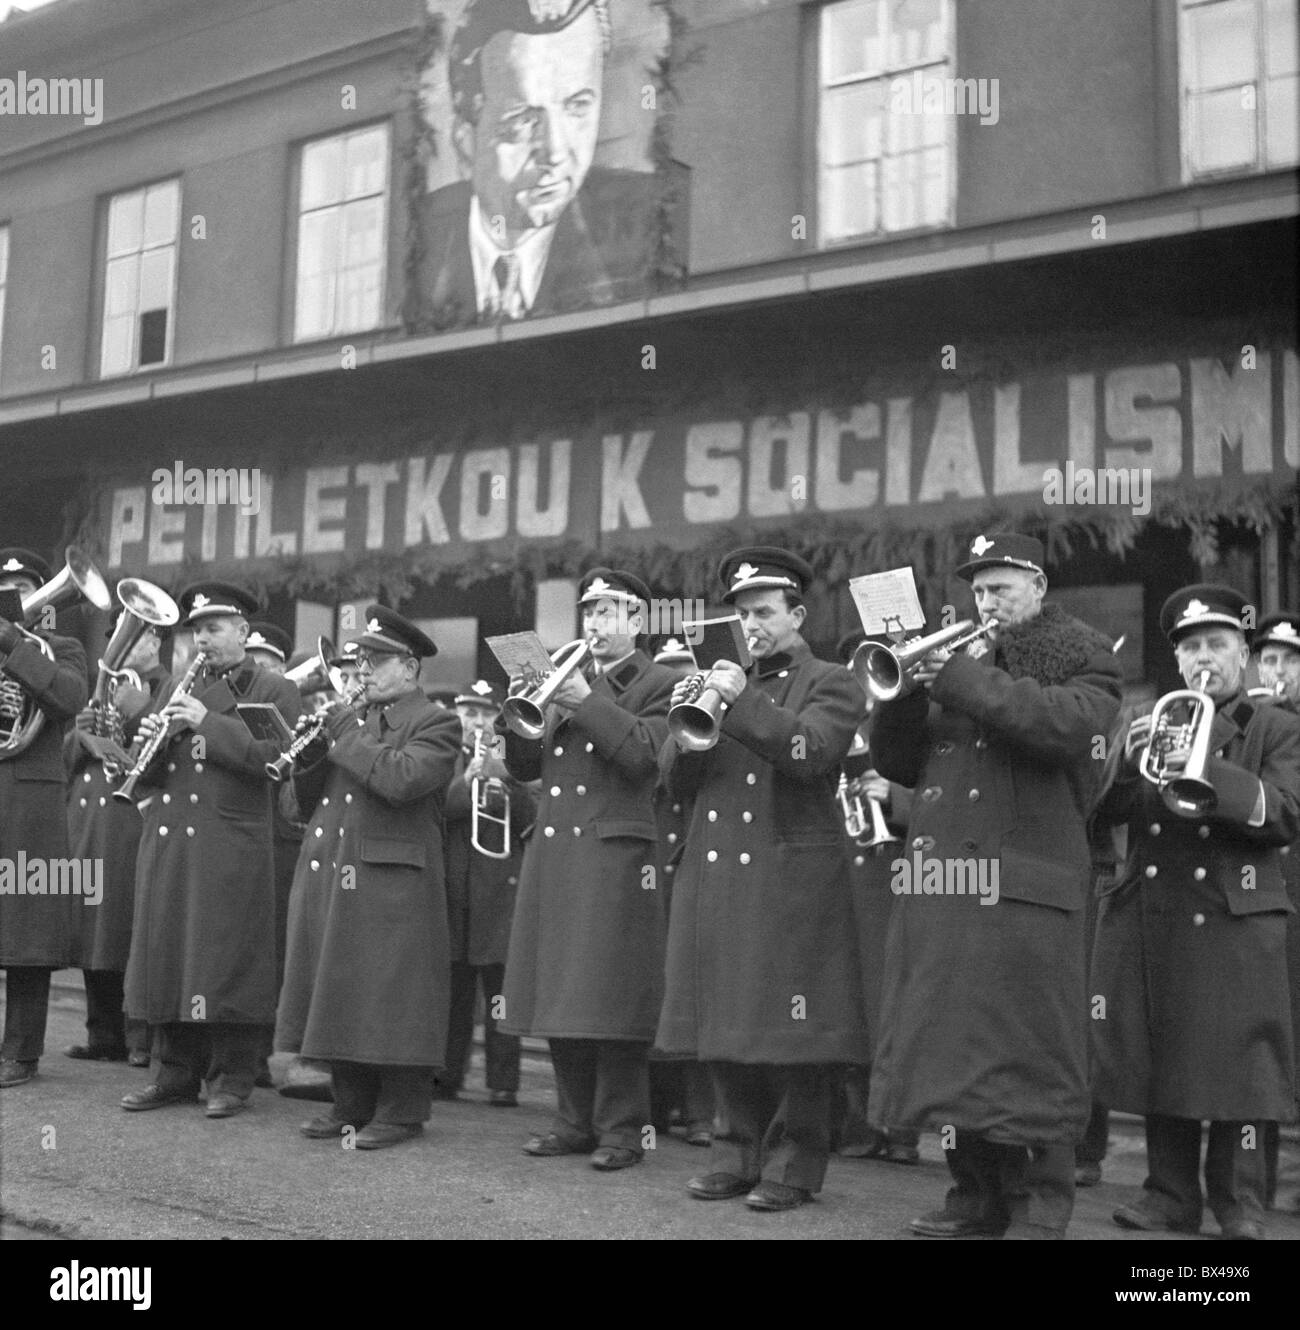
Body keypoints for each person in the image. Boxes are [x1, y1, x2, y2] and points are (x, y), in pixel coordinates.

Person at [869, 531, 1121, 1239]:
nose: (986, 602)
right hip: (947, 884)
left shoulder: (1083, 653)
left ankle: (1039, 1207)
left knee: (1034, 1051)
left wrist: (960, 678)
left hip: (1030, 889)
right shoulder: (960, 664)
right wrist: (902, 699)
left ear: (1038, 586)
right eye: (978, 589)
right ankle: (973, 1196)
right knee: (954, 1048)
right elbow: (899, 762)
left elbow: (1068, 728)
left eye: (1001, 587)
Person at [657, 547, 871, 1212]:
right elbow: (673, 782)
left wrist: (738, 697)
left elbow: (809, 753)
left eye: (764, 612)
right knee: (724, 1017)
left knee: (791, 1031)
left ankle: (794, 1164)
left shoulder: (832, 680)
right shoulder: (717, 681)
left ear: (797, 614)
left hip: (790, 876)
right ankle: (732, 1150)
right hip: (718, 868)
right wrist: (689, 724)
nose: (751, 623)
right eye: (742, 612)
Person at [1092, 587, 1300, 1240]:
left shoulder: (1278, 727)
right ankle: (1169, 1195)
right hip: (1162, 911)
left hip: (1236, 912)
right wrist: (1129, 765)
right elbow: (1102, 818)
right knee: (1169, 1057)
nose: (1202, 659)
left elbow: (1286, 813)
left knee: (1242, 1067)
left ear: (1244, 652)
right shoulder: (1150, 720)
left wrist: (1200, 759)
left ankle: (1241, 1203)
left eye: (1215, 645)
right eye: (1190, 648)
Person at [500, 568, 676, 1170]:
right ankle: (572, 1121)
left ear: (637, 621)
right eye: (589, 612)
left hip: (616, 856)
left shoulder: (660, 681)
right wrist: (518, 711)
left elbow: (648, 759)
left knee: (614, 997)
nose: (595, 624)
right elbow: (526, 768)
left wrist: (585, 700)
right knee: (562, 993)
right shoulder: (564, 680)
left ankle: (624, 1130)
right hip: (558, 855)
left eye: (608, 612)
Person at [276, 606, 460, 1148]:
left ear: (409, 669)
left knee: (391, 995)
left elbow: (402, 780)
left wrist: (344, 733)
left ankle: (403, 1109)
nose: (363, 672)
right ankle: (349, 1103)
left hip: (393, 879)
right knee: (343, 988)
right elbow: (296, 806)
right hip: (338, 869)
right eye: (360, 661)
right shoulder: (354, 724)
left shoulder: (436, 722)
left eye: (376, 662)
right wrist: (307, 759)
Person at [119, 582, 301, 1119]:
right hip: (174, 838)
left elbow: (276, 757)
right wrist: (148, 736)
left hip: (230, 842)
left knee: (227, 960)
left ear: (243, 632)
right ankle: (174, 1073)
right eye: (196, 630)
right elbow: (151, 774)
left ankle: (233, 1077)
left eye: (214, 628)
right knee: (171, 954)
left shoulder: (271, 687)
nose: (202, 640)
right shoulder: (177, 683)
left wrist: (204, 722)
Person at [415, 0, 654, 327]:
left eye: (577, 107)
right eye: (523, 120)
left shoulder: (642, 226)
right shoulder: (420, 233)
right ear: (465, 139)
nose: (555, 152)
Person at [63, 611, 171, 1068]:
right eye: (120, 640)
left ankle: (140, 1037)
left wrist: (133, 711)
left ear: (156, 642)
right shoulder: (99, 686)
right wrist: (80, 736)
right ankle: (102, 1033)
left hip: (132, 819)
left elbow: (166, 752)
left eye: (137, 636)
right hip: (90, 820)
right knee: (93, 928)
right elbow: (63, 759)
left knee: (130, 926)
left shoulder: (168, 688)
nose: (124, 649)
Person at [0, 549, 89, 1089]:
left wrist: (13, 645)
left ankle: (22, 1052)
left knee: (26, 932)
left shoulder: (62, 648)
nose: (18, 595)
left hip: (31, 802)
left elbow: (68, 698)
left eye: (28, 587)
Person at [831, 629, 918, 1166]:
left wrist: (898, 797)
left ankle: (903, 1131)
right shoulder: (838, 725)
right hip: (844, 876)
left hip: (900, 876)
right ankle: (861, 1125)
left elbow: (947, 791)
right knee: (852, 1003)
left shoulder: (914, 723)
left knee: (895, 1003)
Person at [439, 679, 535, 1106]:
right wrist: (470, 780)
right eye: (468, 712)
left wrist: (507, 784)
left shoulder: (514, 759)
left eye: (484, 714)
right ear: (457, 715)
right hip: (455, 891)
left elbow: (531, 821)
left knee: (500, 995)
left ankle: (503, 1082)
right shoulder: (444, 755)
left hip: (499, 891)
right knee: (455, 993)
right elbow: (436, 808)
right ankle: (447, 1076)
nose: (476, 722)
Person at [647, 636, 714, 1149]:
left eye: (682, 672)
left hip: (690, 863)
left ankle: (698, 1112)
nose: (675, 680)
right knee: (654, 990)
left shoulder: (708, 712)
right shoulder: (659, 716)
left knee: (693, 990)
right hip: (651, 869)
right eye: (665, 672)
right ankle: (655, 1107)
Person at [1254, 612, 1300, 1212]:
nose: (1279, 671)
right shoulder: (1252, 725)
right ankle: (1260, 1183)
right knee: (1267, 1036)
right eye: (1268, 660)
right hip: (1271, 899)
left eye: (1290, 660)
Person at [244, 621, 301, 1090]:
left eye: (268, 661)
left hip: (286, 841)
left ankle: (264, 1051)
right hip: (247, 831)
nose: (258, 667)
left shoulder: (289, 699)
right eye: (252, 658)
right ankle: (249, 1055)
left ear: (283, 667)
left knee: (275, 951)